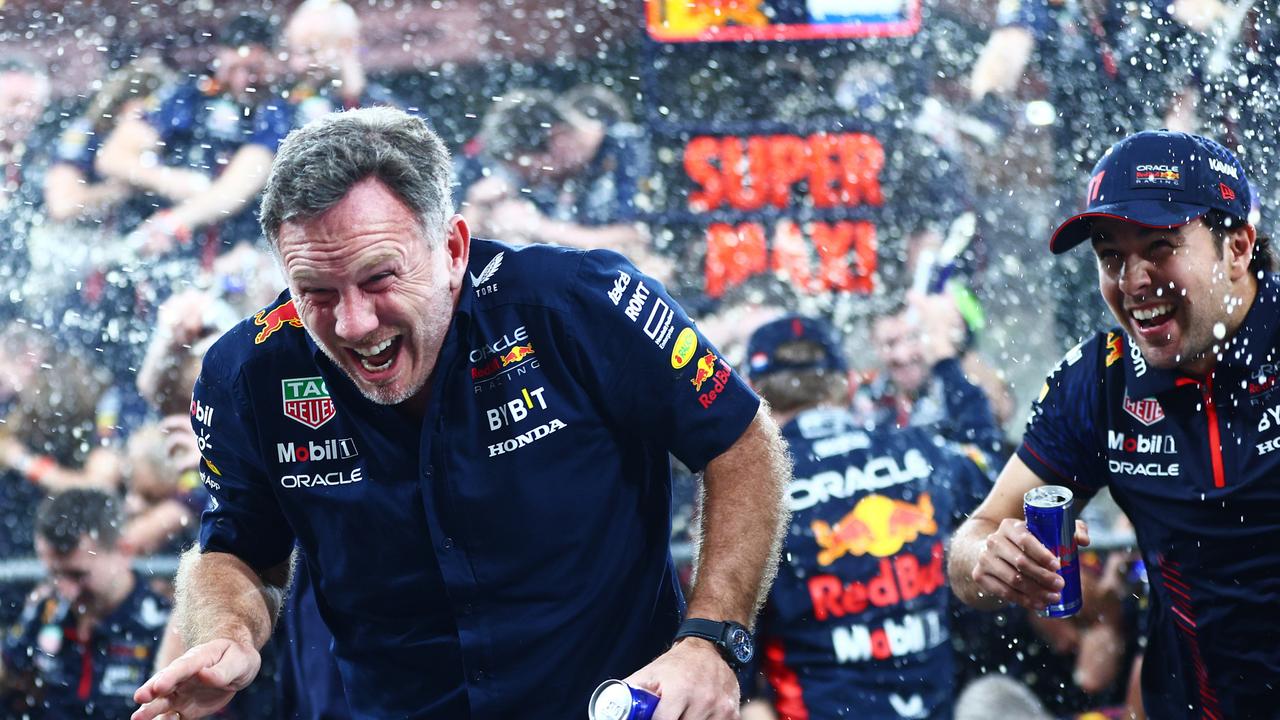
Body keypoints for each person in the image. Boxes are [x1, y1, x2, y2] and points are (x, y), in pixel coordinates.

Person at [132, 106, 792, 720]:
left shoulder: (577, 304)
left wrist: (713, 639)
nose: (355, 322)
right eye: (316, 293)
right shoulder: (246, 373)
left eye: (379, 278)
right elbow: (234, 549)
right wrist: (229, 632)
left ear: (452, 250)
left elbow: (738, 438)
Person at [947, 129, 1279, 718]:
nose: (1132, 281)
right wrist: (989, 559)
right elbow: (973, 544)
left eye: (1159, 246)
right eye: (1111, 256)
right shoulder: (1099, 383)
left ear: (1237, 247)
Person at [738, 315, 992, 720]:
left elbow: (733, 672)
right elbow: (990, 464)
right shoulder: (918, 450)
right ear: (850, 384)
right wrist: (946, 361)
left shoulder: (751, 492)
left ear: (751, 393)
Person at [94, 13, 291, 263]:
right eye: (232, 69)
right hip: (171, 246)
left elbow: (235, 191)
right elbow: (112, 157)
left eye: (253, 69)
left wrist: (171, 222)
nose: (242, 80)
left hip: (238, 249)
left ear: (275, 62)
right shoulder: (190, 94)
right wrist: (171, 181)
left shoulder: (281, 110)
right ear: (219, 58)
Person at [1, 489, 171, 719]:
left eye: (77, 575)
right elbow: (10, 673)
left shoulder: (163, 626)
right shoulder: (45, 609)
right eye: (54, 574)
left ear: (124, 552)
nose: (66, 591)